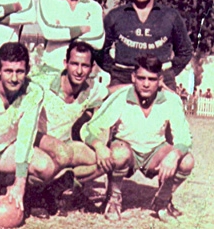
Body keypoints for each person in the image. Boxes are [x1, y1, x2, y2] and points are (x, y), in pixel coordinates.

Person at [81, 55, 194, 222]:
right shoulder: (121, 97)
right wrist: (98, 146)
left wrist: (174, 154)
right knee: (119, 152)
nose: (146, 84)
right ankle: (114, 199)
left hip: (154, 154)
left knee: (186, 161)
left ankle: (163, 200)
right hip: (127, 151)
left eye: (152, 79)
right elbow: (89, 127)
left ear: (160, 80)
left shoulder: (171, 100)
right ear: (133, 77)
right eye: (141, 78)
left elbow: (184, 137)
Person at [0, 42, 56, 217]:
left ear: (27, 70)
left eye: (19, 71)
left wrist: (20, 182)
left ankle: (21, 193)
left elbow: (25, 137)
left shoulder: (34, 92)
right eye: (8, 71)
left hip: (6, 151)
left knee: (45, 167)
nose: (14, 78)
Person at [31, 41, 108, 212]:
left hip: (65, 145)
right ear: (65, 64)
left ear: (92, 68)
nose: (79, 71)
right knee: (58, 156)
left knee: (105, 161)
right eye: (74, 64)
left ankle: (55, 188)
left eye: (84, 65)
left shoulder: (94, 88)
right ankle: (34, 193)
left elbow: (111, 94)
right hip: (37, 142)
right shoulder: (42, 81)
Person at [97, 0, 193, 91]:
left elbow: (185, 51)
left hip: (160, 80)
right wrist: (116, 70)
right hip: (123, 79)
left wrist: (168, 72)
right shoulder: (115, 15)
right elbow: (99, 50)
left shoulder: (171, 16)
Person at [35, 0, 104, 72]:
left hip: (81, 75)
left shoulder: (94, 7)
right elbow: (49, 32)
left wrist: (62, 34)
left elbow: (98, 41)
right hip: (52, 70)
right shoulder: (46, 1)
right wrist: (81, 30)